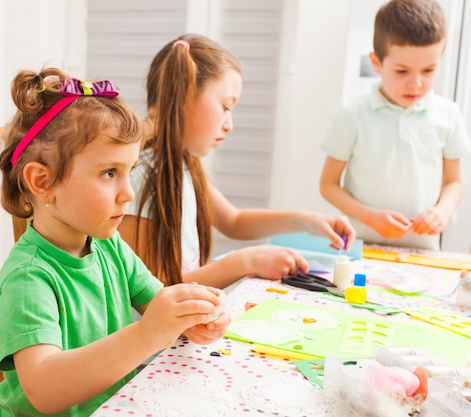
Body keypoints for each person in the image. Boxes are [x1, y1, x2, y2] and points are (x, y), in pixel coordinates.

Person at [0, 67, 230, 417]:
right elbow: (44, 389)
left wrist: (191, 316)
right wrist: (147, 334)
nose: (128, 193)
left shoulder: (109, 246)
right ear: (43, 182)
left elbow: (157, 302)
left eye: (128, 171)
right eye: (109, 173)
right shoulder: (28, 278)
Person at [118, 33, 356, 289]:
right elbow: (150, 291)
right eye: (225, 107)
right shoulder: (140, 177)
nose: (229, 125)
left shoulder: (180, 165)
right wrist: (246, 261)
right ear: (185, 94)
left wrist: (307, 221)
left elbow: (234, 221)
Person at [319, 0, 470, 251]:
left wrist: (443, 212)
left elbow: (454, 182)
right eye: (402, 71)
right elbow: (328, 185)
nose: (416, 84)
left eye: (428, 70)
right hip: (360, 248)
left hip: (423, 252)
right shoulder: (353, 115)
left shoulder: (449, 115)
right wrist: (369, 216)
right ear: (377, 63)